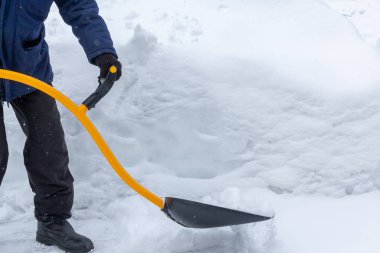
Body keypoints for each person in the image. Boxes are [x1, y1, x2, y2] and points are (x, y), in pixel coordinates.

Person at [0, 1, 122, 252]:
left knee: (49, 146)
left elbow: (79, 6)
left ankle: (52, 222)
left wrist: (102, 52)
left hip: (28, 66)